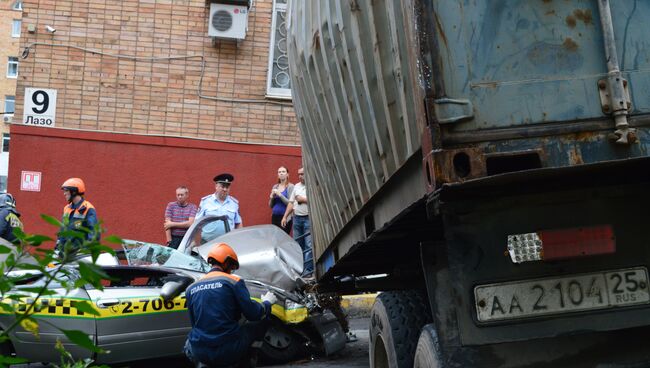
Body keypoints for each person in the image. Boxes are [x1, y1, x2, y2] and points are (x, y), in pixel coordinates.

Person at [184, 242, 277, 367]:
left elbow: (194, 323)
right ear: (226, 262)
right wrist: (267, 302)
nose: (231, 271)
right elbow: (253, 314)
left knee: (190, 340)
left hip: (199, 351)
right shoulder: (233, 281)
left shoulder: (191, 288)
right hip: (228, 348)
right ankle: (249, 360)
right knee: (261, 322)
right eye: (232, 267)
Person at [281, 167, 314, 278]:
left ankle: (308, 271)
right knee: (298, 245)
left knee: (308, 245)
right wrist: (285, 216)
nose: (300, 176)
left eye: (302, 174)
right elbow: (291, 203)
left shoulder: (312, 185)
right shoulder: (296, 186)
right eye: (299, 174)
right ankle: (299, 270)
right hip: (297, 219)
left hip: (308, 218)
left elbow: (316, 200)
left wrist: (302, 199)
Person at [196, 173, 242, 243]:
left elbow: (238, 223)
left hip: (228, 242)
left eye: (227, 187)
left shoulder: (234, 203)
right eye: (222, 186)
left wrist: (239, 240)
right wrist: (194, 241)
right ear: (216, 186)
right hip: (207, 242)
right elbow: (197, 222)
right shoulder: (205, 201)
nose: (225, 189)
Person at [56, 178, 99, 252]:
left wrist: (86, 251)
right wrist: (58, 246)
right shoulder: (67, 208)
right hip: (66, 254)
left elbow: (94, 233)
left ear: (74, 192)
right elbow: (63, 230)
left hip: (80, 255)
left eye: (66, 191)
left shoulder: (88, 208)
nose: (64, 193)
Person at [269, 166, 294, 234]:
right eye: (279, 172)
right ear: (278, 175)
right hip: (275, 216)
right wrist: (271, 197)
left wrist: (280, 195)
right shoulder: (275, 186)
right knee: (275, 238)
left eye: (283, 171)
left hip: (285, 217)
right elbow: (271, 206)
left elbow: (290, 203)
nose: (281, 173)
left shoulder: (290, 186)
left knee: (283, 238)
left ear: (287, 174)